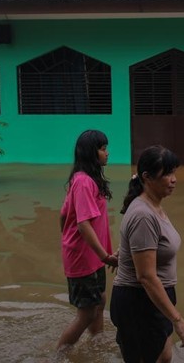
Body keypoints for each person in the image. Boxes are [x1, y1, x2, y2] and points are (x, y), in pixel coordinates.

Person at [110, 145, 184, 362]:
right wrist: (178, 320)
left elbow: (147, 242)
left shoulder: (153, 205)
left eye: (173, 172)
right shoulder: (143, 215)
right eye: (166, 173)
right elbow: (145, 276)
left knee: (164, 356)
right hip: (139, 303)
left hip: (155, 299)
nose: (173, 179)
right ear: (147, 177)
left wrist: (125, 252)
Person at [57, 129, 118, 350]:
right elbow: (83, 224)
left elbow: (64, 215)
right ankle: (59, 353)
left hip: (93, 257)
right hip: (86, 257)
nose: (107, 153)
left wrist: (66, 239)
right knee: (86, 313)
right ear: (92, 153)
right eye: (103, 149)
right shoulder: (83, 182)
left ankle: (97, 342)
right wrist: (105, 256)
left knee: (100, 302)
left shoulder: (86, 179)